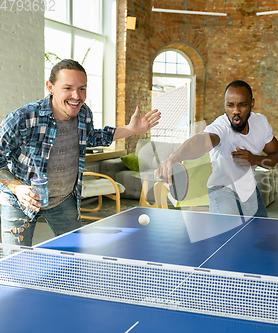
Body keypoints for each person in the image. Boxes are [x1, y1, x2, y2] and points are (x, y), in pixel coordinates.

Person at [0, 59, 160, 246]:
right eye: (68, 88)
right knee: (17, 262)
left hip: (64, 199)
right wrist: (17, 188)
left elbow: (93, 137)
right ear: (50, 87)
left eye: (82, 88)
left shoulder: (84, 113)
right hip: (21, 202)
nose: (76, 96)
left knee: (75, 257)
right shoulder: (23, 118)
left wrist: (130, 129)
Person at [156, 80, 278, 218]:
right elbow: (201, 141)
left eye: (242, 105)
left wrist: (255, 159)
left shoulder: (261, 123)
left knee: (263, 237)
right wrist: (174, 157)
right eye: (230, 105)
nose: (236, 111)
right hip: (223, 192)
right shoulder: (221, 127)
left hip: (250, 193)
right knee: (227, 237)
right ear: (225, 103)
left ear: (252, 103)